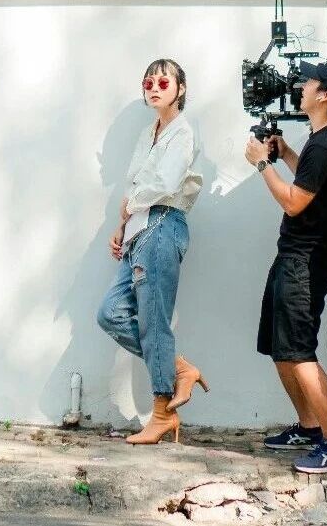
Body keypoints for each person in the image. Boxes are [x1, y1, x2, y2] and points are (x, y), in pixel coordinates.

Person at [244, 60, 327, 474]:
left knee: (299, 351)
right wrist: (287, 153)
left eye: (309, 81)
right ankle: (310, 428)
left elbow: (294, 202)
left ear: (324, 95)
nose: (301, 85)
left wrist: (262, 164)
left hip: (306, 261)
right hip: (294, 254)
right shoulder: (324, 137)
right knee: (281, 348)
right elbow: (310, 183)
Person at [96, 58, 205, 445]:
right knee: (110, 313)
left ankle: (161, 415)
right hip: (140, 230)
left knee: (153, 321)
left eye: (163, 82)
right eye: (148, 83)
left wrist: (130, 206)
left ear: (180, 89)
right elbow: (136, 187)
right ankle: (179, 369)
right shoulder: (149, 132)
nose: (154, 89)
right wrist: (122, 227)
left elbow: (164, 184)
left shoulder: (182, 132)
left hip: (162, 225)